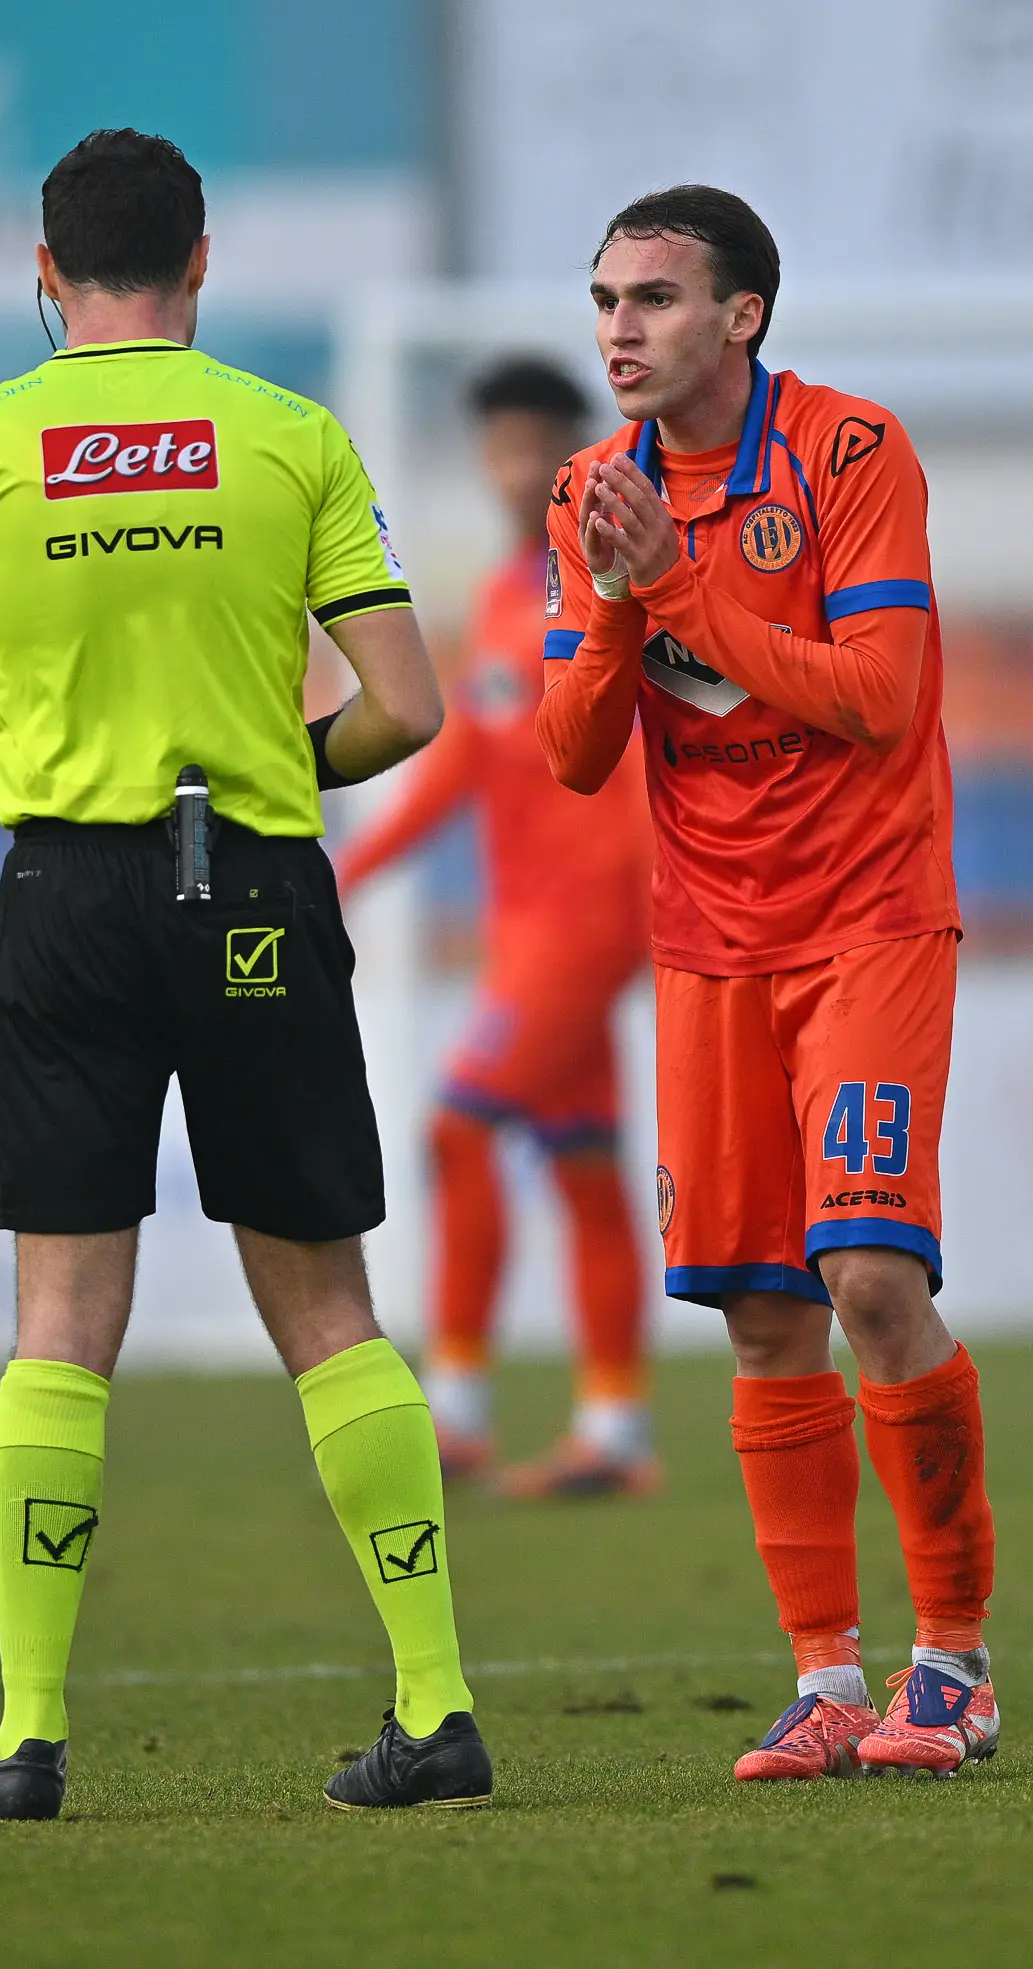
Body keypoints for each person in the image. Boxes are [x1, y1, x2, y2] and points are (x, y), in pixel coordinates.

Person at [0, 128, 489, 1820]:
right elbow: (409, 705)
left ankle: (28, 1736)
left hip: (69, 888)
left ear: (44, 271)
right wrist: (284, 754)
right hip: (254, 881)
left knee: (63, 1316)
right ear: (200, 263)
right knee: (330, 1309)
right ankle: (432, 1699)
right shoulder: (291, 438)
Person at [535, 186, 1001, 1781]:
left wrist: (675, 587)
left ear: (740, 316)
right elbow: (575, 750)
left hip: (868, 918)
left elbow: (879, 698)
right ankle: (825, 1676)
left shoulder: (852, 456)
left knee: (870, 1277)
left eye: (653, 298)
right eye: (603, 298)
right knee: (757, 1309)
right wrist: (610, 601)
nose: (617, 328)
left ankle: (953, 1661)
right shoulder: (589, 491)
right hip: (709, 944)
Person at [332, 356, 657, 1499]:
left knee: (458, 1132)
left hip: (588, 922)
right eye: (499, 450)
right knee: (583, 1165)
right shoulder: (512, 591)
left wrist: (639, 919)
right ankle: (614, 1431)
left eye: (535, 449)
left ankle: (458, 1414)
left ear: (575, 452)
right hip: (533, 927)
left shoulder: (617, 573)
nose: (515, 471)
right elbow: (466, 754)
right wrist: (351, 867)